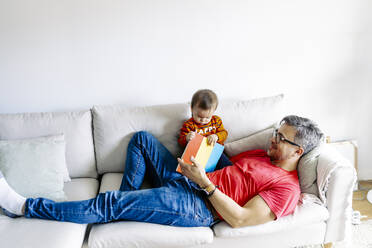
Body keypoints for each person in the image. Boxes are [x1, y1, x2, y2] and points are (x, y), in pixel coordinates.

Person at [0, 115, 324, 228]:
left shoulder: (287, 189)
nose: (272, 138)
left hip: (198, 205)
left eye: (281, 138)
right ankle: (129, 202)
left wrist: (204, 184)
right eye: (275, 132)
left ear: (298, 152)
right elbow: (229, 164)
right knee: (141, 140)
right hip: (188, 178)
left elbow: (239, 218)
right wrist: (205, 148)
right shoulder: (263, 155)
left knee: (108, 203)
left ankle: (24, 207)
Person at [178, 89, 232, 169]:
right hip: (197, 154)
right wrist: (186, 138)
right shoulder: (189, 125)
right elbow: (180, 141)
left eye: (207, 117)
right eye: (199, 116)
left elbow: (224, 133)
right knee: (190, 167)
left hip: (214, 153)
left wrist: (216, 136)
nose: (203, 120)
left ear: (213, 111)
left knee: (229, 167)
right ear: (192, 109)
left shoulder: (216, 121)